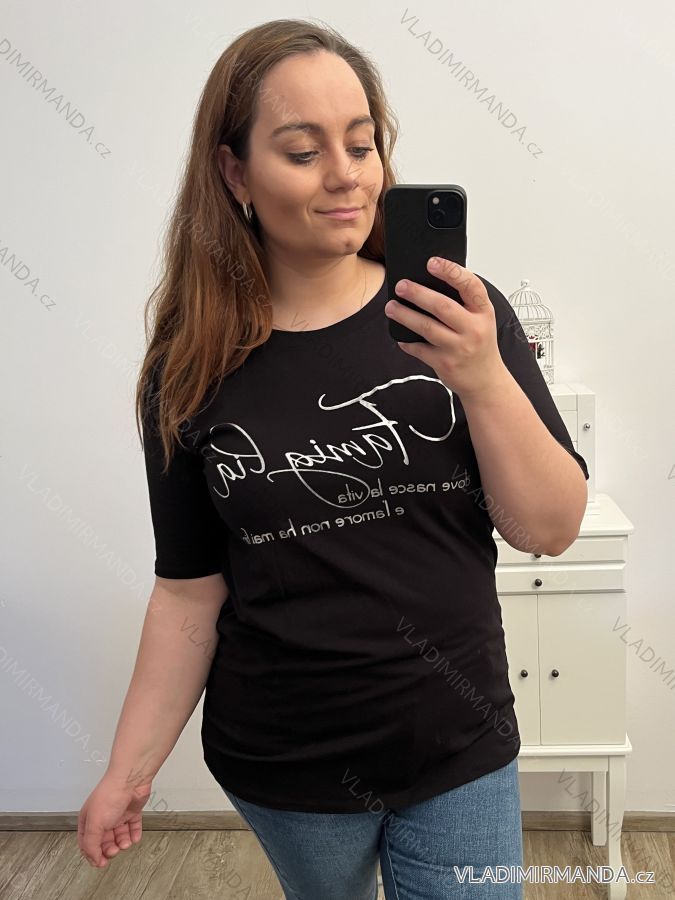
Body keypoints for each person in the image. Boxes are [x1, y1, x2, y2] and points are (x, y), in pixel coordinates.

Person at [77, 17, 589, 899]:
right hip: (285, 765)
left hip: (457, 746)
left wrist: (479, 378)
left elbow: (547, 529)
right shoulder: (187, 367)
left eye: (361, 143)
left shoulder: (456, 317)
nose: (346, 173)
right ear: (234, 172)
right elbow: (189, 593)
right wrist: (128, 769)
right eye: (302, 151)